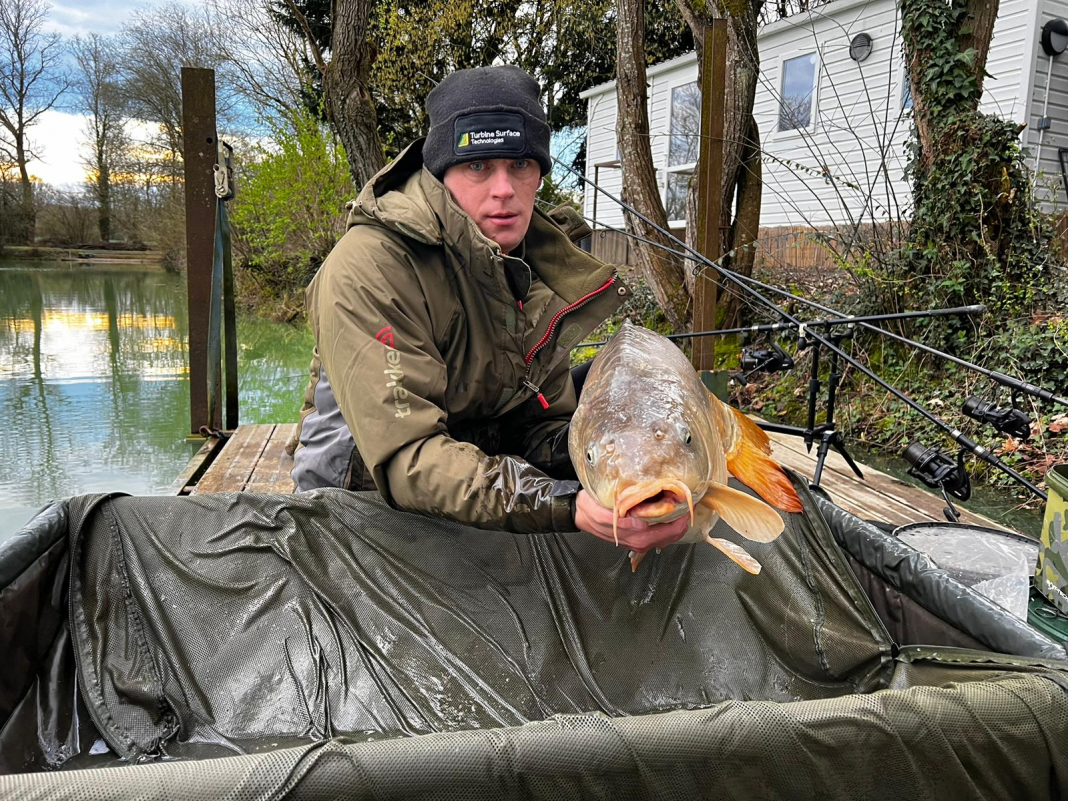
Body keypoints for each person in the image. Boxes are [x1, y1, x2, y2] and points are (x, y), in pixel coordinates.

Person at [288, 65, 688, 555]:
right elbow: (407, 458)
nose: (504, 189)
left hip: (479, 485)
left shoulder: (537, 263)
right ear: (441, 173)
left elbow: (539, 425)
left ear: (539, 173)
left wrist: (625, 466)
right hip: (357, 500)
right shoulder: (369, 266)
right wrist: (566, 505)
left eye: (520, 164)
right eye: (478, 165)